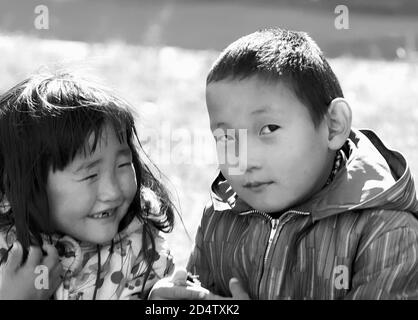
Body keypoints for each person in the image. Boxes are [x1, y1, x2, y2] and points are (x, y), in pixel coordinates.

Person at [150, 28, 418, 300]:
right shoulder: (220, 218)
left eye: (268, 129)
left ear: (333, 125)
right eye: (228, 137)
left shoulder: (385, 232)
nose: (246, 159)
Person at [0, 70, 175, 299]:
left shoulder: (141, 251)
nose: (113, 192)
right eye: (90, 175)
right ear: (29, 185)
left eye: (123, 164)